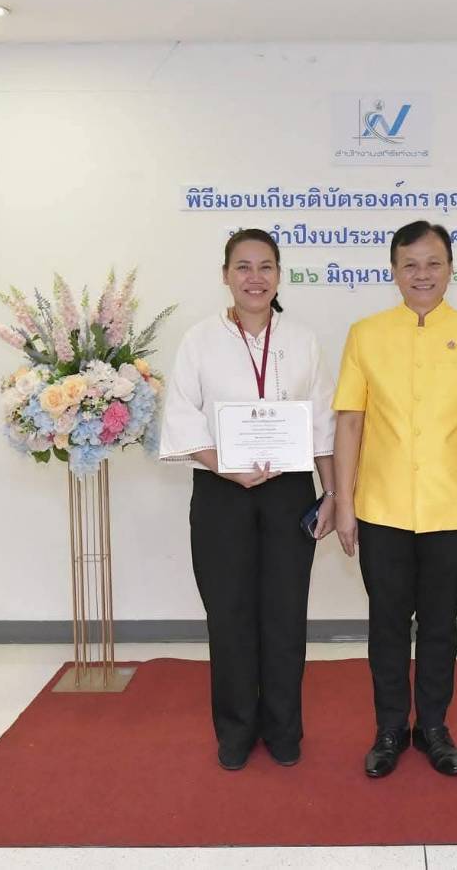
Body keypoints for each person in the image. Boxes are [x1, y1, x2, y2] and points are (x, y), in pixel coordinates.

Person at [331, 220, 457, 778]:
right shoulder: (365, 334)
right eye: (410, 264)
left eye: (433, 263)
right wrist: (344, 502)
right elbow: (350, 423)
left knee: (440, 625)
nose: (422, 274)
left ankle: (433, 727)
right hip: (381, 507)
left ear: (451, 269)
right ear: (393, 271)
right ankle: (390, 728)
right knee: (386, 624)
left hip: (452, 508)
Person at [158, 228, 337, 770]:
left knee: (286, 613)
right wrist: (225, 466)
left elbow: (323, 423)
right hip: (221, 492)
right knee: (229, 613)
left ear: (279, 275)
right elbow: (182, 414)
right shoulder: (199, 340)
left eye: (265, 267)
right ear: (225, 276)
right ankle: (235, 729)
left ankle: (284, 729)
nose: (254, 278)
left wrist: (332, 492)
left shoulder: (303, 339)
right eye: (243, 267)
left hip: (289, 491)